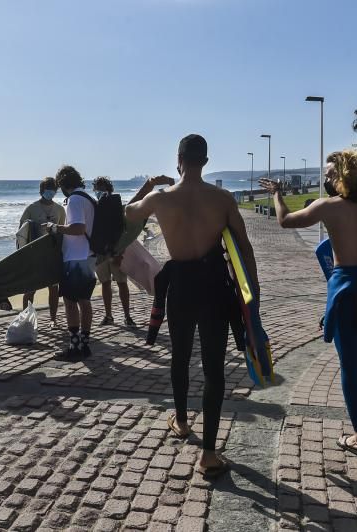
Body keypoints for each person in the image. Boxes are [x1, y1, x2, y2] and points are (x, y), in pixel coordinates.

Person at [126, 134, 259, 479]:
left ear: (179, 159)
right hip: (215, 285)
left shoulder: (161, 199)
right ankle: (209, 455)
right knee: (214, 368)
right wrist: (252, 293)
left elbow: (127, 213)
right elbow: (244, 248)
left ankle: (182, 422)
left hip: (181, 286)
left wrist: (149, 184)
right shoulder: (223, 198)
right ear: (206, 160)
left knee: (181, 356)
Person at [259, 151, 357, 458]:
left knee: (350, 366)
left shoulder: (328, 207)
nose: (325, 179)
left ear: (343, 176)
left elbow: (284, 221)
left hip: (346, 290)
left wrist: (278, 194)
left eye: (329, 174)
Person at [45, 165, 96, 360]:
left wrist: (55, 228)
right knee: (84, 301)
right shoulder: (88, 198)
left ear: (63, 184)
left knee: (70, 301)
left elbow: (78, 228)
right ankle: (85, 344)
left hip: (76, 256)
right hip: (89, 255)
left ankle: (74, 347)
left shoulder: (74, 199)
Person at [19, 177, 66, 326]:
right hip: (34, 255)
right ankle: (26, 320)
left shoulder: (60, 209)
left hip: (52, 254)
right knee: (30, 289)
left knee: (53, 289)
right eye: (48, 189)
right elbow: (21, 232)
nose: (50, 192)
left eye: (53, 189)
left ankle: (53, 320)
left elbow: (62, 231)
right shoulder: (31, 208)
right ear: (41, 190)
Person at [92, 176, 137, 328]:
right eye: (97, 188)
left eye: (102, 188)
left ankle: (127, 316)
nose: (99, 191)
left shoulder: (116, 205)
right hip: (101, 252)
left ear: (108, 189)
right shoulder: (95, 206)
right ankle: (108, 316)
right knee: (105, 283)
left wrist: (120, 252)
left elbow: (123, 230)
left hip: (116, 251)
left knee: (122, 283)